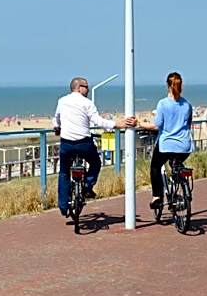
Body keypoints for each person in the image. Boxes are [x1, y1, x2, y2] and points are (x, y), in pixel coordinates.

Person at [52, 77, 135, 217]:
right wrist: (117, 124)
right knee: (96, 162)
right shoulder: (87, 103)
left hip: (66, 143)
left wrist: (57, 127)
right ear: (79, 88)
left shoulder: (62, 101)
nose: (88, 89)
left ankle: (63, 205)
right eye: (86, 87)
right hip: (84, 143)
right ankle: (87, 186)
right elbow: (98, 121)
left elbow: (56, 119)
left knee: (64, 172)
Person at [139, 72, 194, 210]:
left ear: (168, 85)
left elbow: (157, 125)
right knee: (175, 164)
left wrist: (140, 124)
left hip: (166, 145)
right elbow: (188, 124)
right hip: (185, 146)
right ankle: (178, 179)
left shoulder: (163, 104)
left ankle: (157, 197)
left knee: (155, 167)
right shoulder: (187, 105)